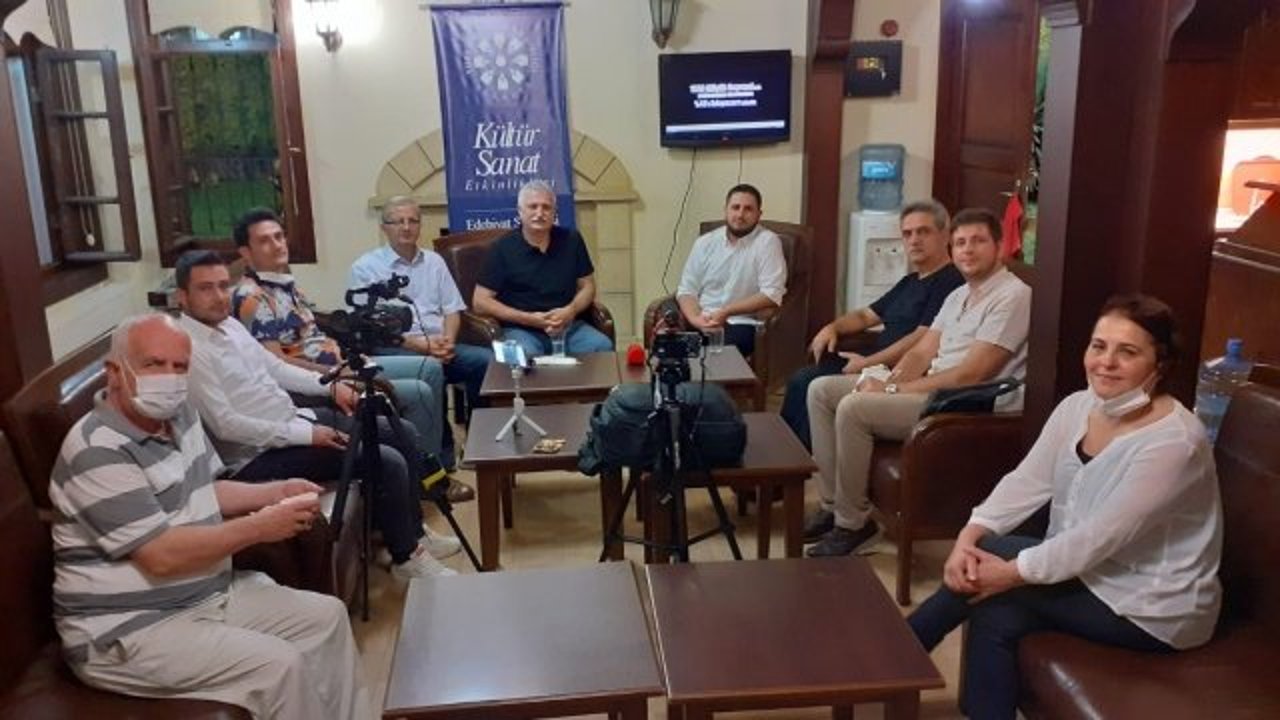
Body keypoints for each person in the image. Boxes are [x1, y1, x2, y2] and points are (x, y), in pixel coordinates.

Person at [908, 295, 1222, 720]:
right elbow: (1027, 481)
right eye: (1099, 346)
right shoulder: (1078, 406)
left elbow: (1098, 538)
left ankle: (890, 656)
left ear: (1160, 365)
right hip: (1091, 573)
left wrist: (1008, 572)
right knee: (996, 604)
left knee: (992, 573)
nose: (1106, 362)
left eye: (1128, 352)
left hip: (1152, 604)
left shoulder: (1174, 442)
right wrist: (970, 534)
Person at [48, 313, 372, 719]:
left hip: (204, 596)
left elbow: (203, 490)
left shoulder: (179, 415)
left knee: (326, 618)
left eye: (179, 366)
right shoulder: (96, 450)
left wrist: (275, 491)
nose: (169, 378)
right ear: (115, 372)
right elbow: (161, 555)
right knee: (279, 667)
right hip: (128, 629)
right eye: (154, 364)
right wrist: (259, 527)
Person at [175, 250, 459, 578]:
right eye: (205, 288)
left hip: (293, 419)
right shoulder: (188, 348)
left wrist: (330, 387)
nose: (219, 296)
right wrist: (308, 435)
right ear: (182, 296)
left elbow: (277, 368)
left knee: (401, 431)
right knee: (387, 461)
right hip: (258, 456)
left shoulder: (230, 326)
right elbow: (226, 426)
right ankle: (405, 558)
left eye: (223, 286)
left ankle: (413, 533)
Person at [806, 208, 1031, 557]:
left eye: (978, 241)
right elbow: (921, 352)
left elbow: (971, 375)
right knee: (821, 390)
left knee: (854, 408)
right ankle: (834, 505)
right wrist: (886, 381)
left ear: (1000, 247)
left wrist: (890, 391)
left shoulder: (1013, 296)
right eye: (960, 243)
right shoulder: (958, 295)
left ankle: (852, 525)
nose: (968, 250)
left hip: (966, 402)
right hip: (933, 390)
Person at [229, 207, 474, 503]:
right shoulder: (252, 298)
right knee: (419, 390)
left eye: (279, 236)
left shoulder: (283, 284)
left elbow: (314, 335)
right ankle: (424, 480)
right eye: (265, 240)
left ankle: (432, 470)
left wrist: (348, 354)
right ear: (246, 252)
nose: (277, 244)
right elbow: (275, 362)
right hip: (324, 379)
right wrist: (335, 372)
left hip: (344, 362)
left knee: (430, 368)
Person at [781, 199, 963, 449]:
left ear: (945, 236)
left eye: (923, 232)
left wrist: (867, 363)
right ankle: (788, 454)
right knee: (801, 377)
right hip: (873, 359)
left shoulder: (950, 281)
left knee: (807, 380)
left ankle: (797, 458)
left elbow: (921, 338)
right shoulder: (910, 281)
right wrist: (832, 328)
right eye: (907, 234)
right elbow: (865, 316)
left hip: (897, 369)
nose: (914, 240)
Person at [349, 196, 494, 481]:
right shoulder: (365, 268)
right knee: (432, 369)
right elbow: (371, 327)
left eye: (412, 221)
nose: (406, 227)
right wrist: (420, 346)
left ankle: (479, 443)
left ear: (420, 225)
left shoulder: (435, 261)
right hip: (396, 348)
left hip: (440, 344)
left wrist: (448, 341)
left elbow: (452, 310)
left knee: (486, 361)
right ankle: (440, 456)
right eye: (398, 221)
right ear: (384, 227)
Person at [473, 179, 614, 358]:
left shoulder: (572, 240)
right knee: (525, 356)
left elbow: (588, 286)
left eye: (546, 207)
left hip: (568, 327)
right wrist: (528, 319)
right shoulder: (502, 247)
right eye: (533, 207)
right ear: (520, 211)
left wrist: (570, 310)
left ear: (555, 212)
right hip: (522, 329)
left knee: (602, 346)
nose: (540, 213)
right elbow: (480, 302)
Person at [675, 183, 787, 358]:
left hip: (739, 322)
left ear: (759, 214)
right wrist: (695, 319)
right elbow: (687, 289)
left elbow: (771, 294)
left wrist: (726, 311)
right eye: (735, 207)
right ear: (725, 210)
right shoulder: (705, 243)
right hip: (701, 318)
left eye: (748, 209)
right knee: (669, 349)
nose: (740, 215)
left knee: (718, 357)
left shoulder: (768, 242)